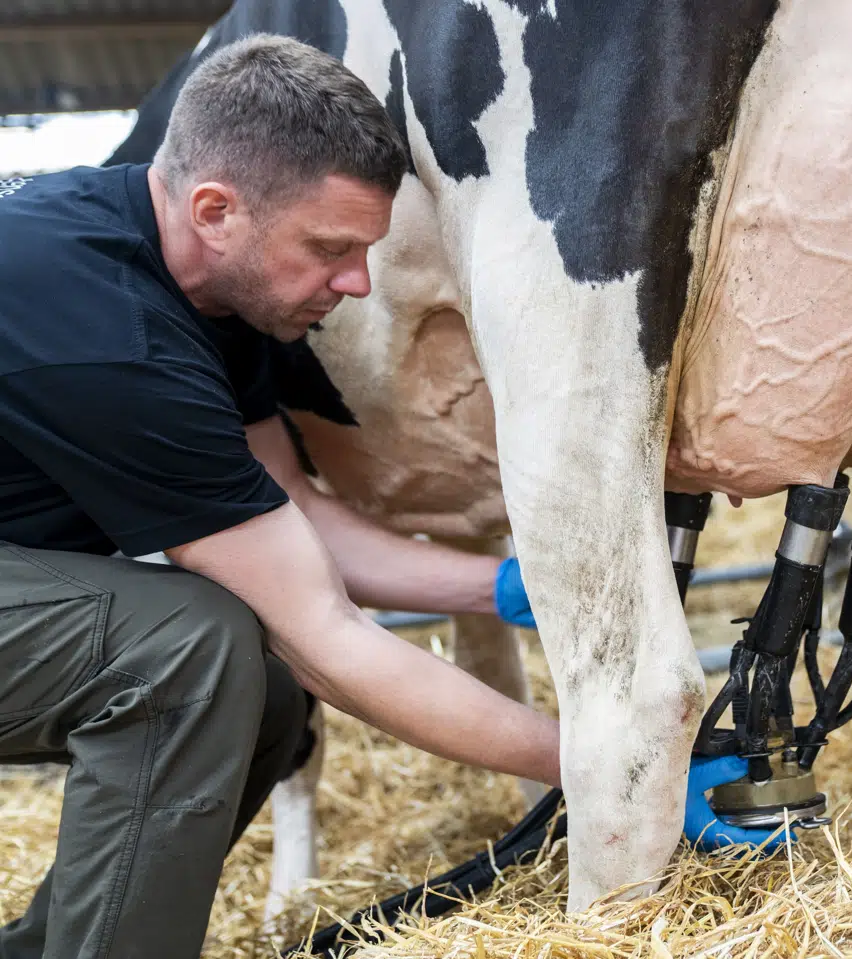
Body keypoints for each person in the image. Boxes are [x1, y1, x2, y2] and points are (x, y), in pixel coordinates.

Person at [0, 35, 776, 959]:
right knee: (191, 652)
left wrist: (493, 585)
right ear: (216, 209)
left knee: (265, 693)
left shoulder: (195, 283)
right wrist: (607, 761)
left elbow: (292, 512)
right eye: (329, 248)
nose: (355, 282)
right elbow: (326, 634)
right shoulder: (113, 335)